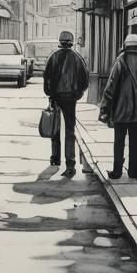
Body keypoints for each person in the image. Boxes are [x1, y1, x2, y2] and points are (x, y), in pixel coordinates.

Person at [99, 33, 137, 180]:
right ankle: (133, 171)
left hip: (121, 109)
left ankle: (117, 172)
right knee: (135, 141)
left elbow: (111, 86)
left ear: (125, 45)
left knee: (119, 141)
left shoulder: (120, 61)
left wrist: (104, 107)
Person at [42, 30, 90, 177]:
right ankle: (70, 164)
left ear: (60, 41)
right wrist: (78, 93)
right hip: (71, 99)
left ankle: (55, 159)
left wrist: (50, 94)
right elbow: (85, 79)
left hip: (56, 97)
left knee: (55, 129)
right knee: (70, 131)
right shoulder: (77, 58)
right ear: (71, 42)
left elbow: (47, 78)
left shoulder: (53, 57)